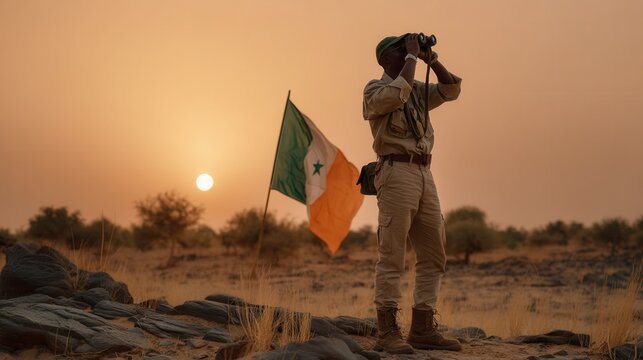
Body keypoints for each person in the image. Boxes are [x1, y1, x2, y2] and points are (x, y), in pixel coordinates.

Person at [362, 33, 463, 354]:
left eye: (410, 50)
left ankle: (422, 328)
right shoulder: (374, 90)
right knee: (392, 254)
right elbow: (396, 95)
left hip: (423, 172)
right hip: (395, 171)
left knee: (434, 254)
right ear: (386, 59)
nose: (411, 53)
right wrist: (409, 58)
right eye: (402, 51)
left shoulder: (418, 89)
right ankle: (387, 331)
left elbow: (451, 90)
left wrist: (430, 60)